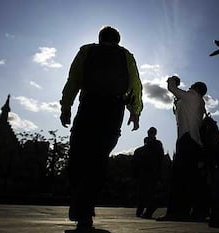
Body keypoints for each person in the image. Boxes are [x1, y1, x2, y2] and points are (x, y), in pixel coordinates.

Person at [60, 25, 143, 231]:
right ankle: (85, 211)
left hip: (89, 106)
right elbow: (135, 85)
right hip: (113, 110)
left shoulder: (86, 51)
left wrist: (66, 106)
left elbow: (74, 79)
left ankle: (82, 210)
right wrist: (135, 112)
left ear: (99, 38)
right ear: (118, 40)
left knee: (80, 156)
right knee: (98, 159)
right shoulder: (126, 56)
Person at [158, 76, 208, 221]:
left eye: (192, 85)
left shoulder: (192, 96)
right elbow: (180, 111)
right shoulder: (199, 102)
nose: (189, 87)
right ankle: (197, 211)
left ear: (196, 88)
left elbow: (172, 89)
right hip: (194, 143)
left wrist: (172, 80)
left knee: (179, 178)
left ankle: (176, 212)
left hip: (187, 140)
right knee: (192, 179)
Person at [134, 127, 164, 219]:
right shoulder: (142, 149)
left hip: (151, 172)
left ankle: (146, 212)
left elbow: (160, 159)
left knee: (149, 193)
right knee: (143, 192)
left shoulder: (156, 144)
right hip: (146, 172)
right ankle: (141, 211)